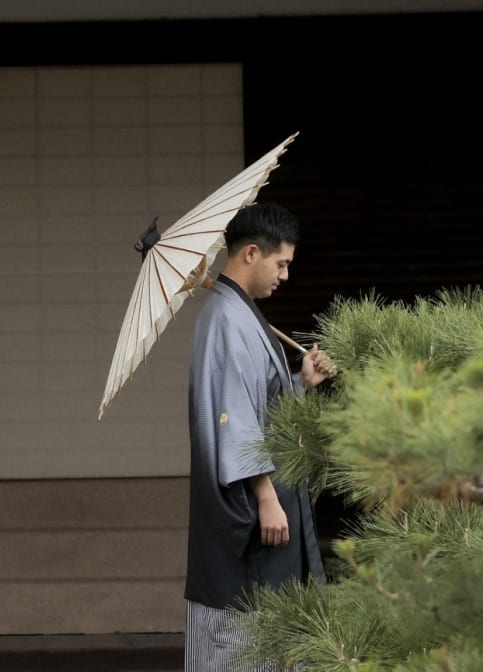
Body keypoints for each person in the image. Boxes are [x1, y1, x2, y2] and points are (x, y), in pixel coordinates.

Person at [184, 201, 331, 672]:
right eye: (281, 263)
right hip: (250, 508)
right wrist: (266, 495)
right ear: (251, 253)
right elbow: (234, 416)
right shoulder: (227, 320)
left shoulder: (238, 313)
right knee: (245, 626)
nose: (285, 275)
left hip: (266, 498)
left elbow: (259, 404)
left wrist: (299, 381)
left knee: (273, 625)